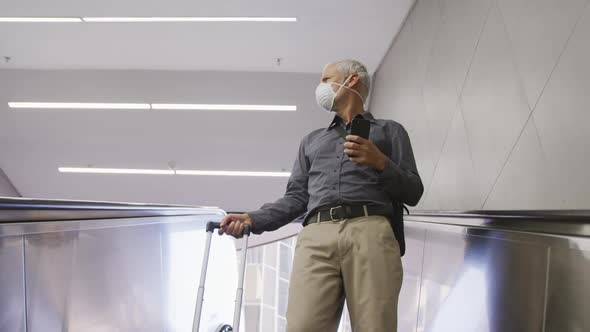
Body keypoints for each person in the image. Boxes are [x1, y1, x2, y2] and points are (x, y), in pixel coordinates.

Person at [219, 59, 423, 332]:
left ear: (351, 81)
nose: (321, 87)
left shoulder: (390, 131)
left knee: (375, 326)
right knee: (302, 326)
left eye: (326, 80)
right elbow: (295, 199)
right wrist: (253, 219)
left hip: (371, 230)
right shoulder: (312, 141)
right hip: (316, 235)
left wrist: (380, 162)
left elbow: (413, 190)